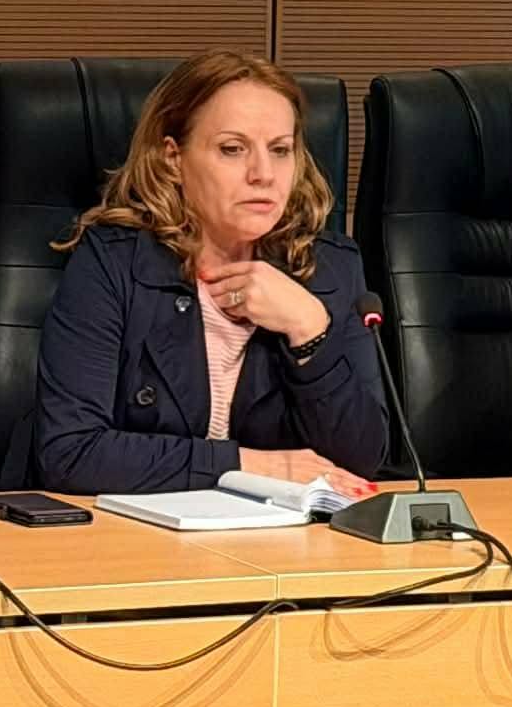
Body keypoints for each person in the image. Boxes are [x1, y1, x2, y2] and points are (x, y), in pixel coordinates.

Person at [32, 52, 387, 495]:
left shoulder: (331, 267)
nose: (263, 175)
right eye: (232, 149)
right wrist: (244, 465)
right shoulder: (113, 261)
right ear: (172, 159)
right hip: (129, 529)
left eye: (280, 150)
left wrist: (310, 330)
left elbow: (362, 462)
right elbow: (69, 452)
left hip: (278, 531)